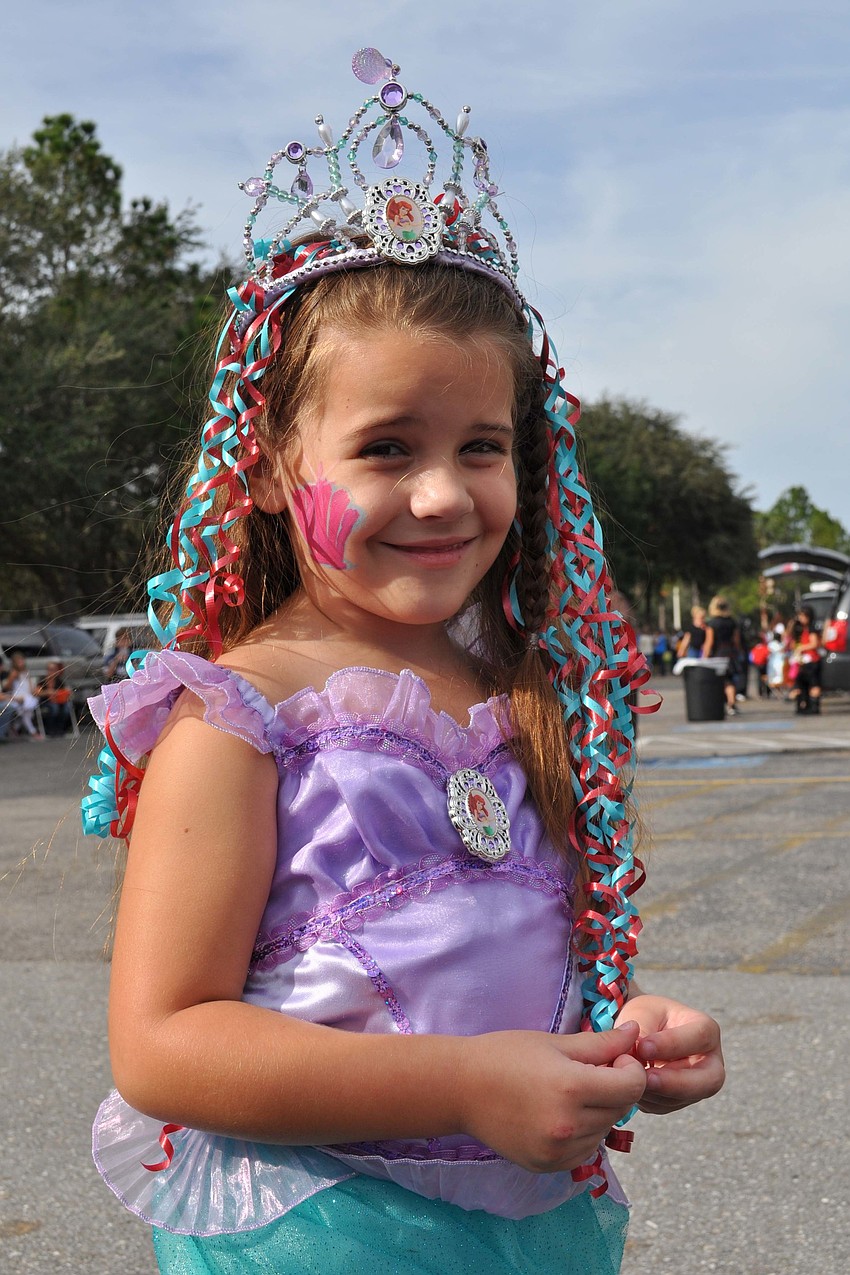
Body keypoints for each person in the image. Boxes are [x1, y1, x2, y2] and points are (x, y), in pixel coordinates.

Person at [82, 48, 724, 1275]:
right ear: (268, 469)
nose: (442, 493)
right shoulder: (235, 715)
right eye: (384, 446)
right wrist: (462, 1083)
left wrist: (620, 1037)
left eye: (482, 444)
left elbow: (499, 965)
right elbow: (162, 1045)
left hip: (534, 1230)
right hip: (321, 1233)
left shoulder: (520, 696)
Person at [702, 596, 742, 717]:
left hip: (717, 653)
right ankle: (732, 704)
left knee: (718, 681)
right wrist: (737, 651)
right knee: (729, 680)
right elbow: (736, 640)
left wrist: (705, 656)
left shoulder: (712, 623)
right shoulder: (732, 622)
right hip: (730, 652)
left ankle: (719, 704)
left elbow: (709, 641)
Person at [2, 649, 44, 739]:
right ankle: (32, 732)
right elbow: (8, 688)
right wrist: (12, 677)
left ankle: (16, 727)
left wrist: (35, 690)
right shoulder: (13, 673)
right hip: (17, 697)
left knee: (26, 710)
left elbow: (29, 687)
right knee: (26, 711)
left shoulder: (26, 672)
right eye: (18, 661)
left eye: (22, 660)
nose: (21, 663)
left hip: (26, 696)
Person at [788, 605, 822, 714]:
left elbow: (814, 643)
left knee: (813, 684)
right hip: (801, 661)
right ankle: (803, 704)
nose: (800, 618)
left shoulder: (812, 628)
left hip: (811, 660)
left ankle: (814, 706)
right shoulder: (799, 629)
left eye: (802, 616)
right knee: (802, 684)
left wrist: (801, 647)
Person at [38, 660, 72, 736]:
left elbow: (65, 690)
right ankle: (50, 729)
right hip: (46, 702)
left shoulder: (59, 681)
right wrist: (48, 692)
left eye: (54, 670)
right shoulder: (43, 680)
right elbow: (37, 692)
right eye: (50, 670)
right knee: (54, 708)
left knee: (67, 708)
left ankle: (61, 728)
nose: (52, 672)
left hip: (59, 701)